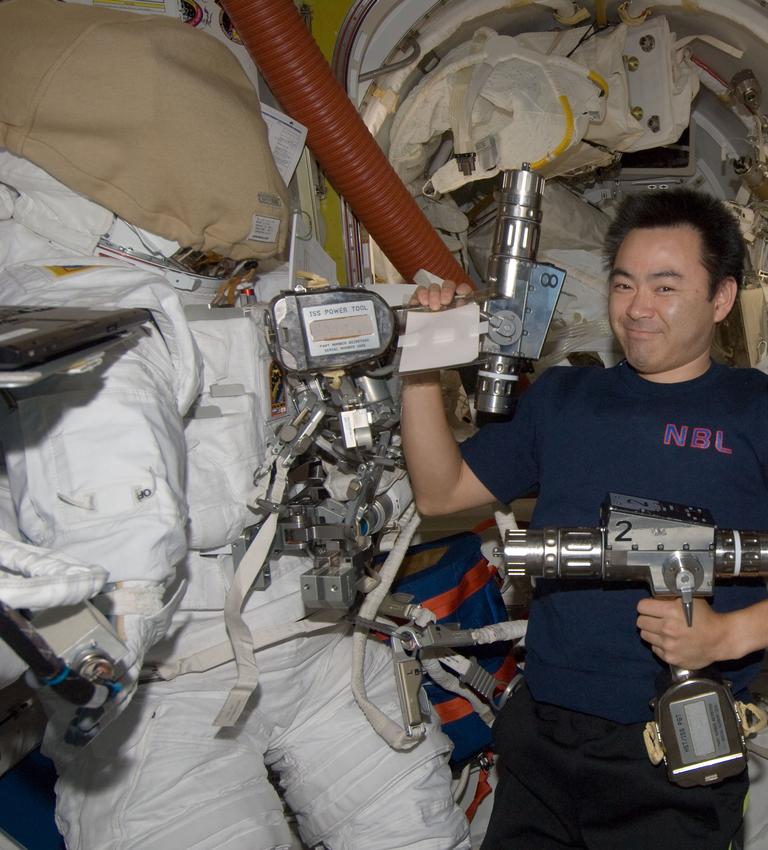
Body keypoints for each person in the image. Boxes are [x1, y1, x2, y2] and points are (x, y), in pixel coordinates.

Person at [0, 2, 469, 848]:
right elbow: (104, 499)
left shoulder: (263, 283)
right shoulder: (77, 315)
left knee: (421, 835)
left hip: (320, 639)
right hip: (168, 697)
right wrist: (117, 612)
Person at [402, 187, 768, 849]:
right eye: (624, 285)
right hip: (542, 738)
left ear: (720, 299)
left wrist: (733, 634)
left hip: (672, 755)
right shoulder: (564, 397)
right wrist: (421, 367)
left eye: (665, 287)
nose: (637, 309)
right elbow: (441, 490)